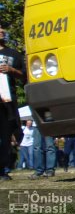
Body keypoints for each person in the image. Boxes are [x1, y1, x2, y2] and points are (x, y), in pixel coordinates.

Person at [0, 23, 25, 181]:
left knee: (7, 134)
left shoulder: (13, 54)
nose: (2, 31)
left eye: (3, 29)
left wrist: (11, 71)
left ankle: (3, 169)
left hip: (8, 100)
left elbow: (24, 76)